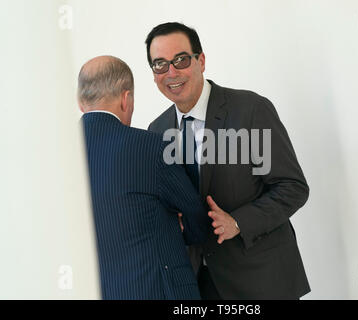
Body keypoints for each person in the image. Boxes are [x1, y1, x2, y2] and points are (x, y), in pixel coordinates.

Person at [146, 22, 311, 300]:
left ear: (201, 60)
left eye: (181, 60)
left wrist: (237, 222)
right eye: (160, 64)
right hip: (198, 284)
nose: (171, 72)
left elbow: (292, 187)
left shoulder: (250, 110)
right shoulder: (157, 131)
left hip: (261, 281)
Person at [78, 55, 210, 299]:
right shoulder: (152, 147)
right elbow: (196, 216)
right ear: (126, 99)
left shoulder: (56, 158)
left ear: (80, 102)